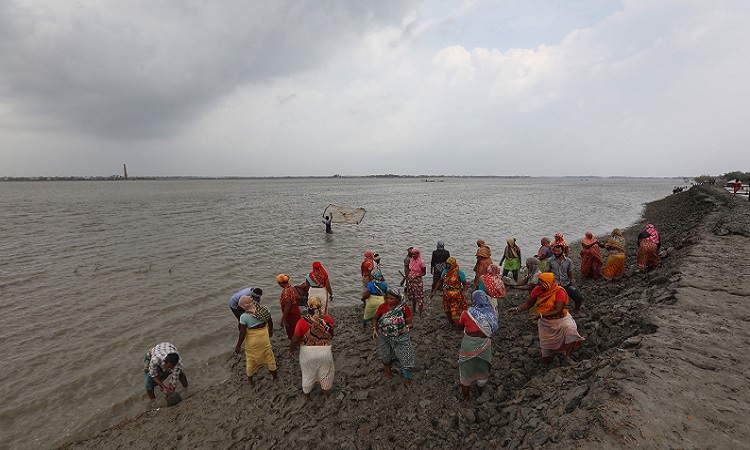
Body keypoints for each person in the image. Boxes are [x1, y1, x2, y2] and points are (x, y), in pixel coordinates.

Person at [507, 273, 584, 364]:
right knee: (546, 344)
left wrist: (541, 315)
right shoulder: (537, 290)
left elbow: (558, 310)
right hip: (545, 321)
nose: (540, 287)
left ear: (549, 283)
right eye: (539, 284)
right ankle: (546, 363)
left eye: (542, 284)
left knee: (570, 330)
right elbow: (529, 304)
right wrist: (517, 309)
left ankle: (568, 357)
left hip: (559, 318)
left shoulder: (559, 292)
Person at [289, 297, 335, 400]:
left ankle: (307, 396)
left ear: (308, 307)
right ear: (321, 306)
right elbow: (331, 335)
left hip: (308, 353)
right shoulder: (329, 319)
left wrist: (291, 350)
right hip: (325, 352)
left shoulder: (301, 322)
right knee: (326, 374)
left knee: (308, 375)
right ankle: (326, 395)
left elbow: (295, 339)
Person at [458, 291, 498, 401]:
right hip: (484, 344)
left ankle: (466, 398)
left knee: (465, 368)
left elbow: (460, 327)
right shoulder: (491, 313)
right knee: (483, 367)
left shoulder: (467, 313)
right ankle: (479, 392)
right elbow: (494, 329)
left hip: (468, 345)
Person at [373, 287, 416, 386]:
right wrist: (374, 329)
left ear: (398, 299)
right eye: (387, 298)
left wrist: (406, 327)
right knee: (386, 355)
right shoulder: (382, 307)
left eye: (391, 298)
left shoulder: (404, 308)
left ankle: (407, 380)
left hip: (401, 336)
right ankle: (388, 375)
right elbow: (375, 318)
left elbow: (410, 323)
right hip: (385, 336)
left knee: (406, 357)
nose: (388, 300)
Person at [234, 295, 277, 385]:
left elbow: (242, 334)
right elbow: (270, 321)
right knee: (269, 355)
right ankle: (275, 377)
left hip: (253, 340)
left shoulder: (244, 317)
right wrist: (271, 331)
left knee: (250, 359)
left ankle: (250, 380)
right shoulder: (264, 309)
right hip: (264, 336)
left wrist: (238, 346)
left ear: (243, 306)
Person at [545, 244, 584, 314]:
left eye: (558, 251)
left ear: (562, 251)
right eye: (555, 251)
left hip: (566, 284)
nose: (556, 253)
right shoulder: (550, 261)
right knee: (550, 301)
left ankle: (576, 309)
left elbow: (570, 272)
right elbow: (546, 272)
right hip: (555, 285)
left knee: (579, 298)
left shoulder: (568, 261)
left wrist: (572, 279)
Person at [430, 257, 468, 328]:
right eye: (447, 264)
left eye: (449, 264)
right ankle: (452, 323)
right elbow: (439, 282)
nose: (447, 266)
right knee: (447, 310)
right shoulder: (445, 272)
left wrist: (464, 292)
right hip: (446, 295)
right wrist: (434, 291)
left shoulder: (459, 273)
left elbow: (465, 284)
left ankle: (458, 327)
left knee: (455, 311)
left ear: (453, 264)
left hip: (456, 296)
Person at [277, 274, 301, 340]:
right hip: (296, 310)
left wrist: (283, 318)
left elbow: (288, 306)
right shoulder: (292, 288)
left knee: (290, 328)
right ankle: (297, 339)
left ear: (280, 283)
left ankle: (293, 341)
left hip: (291, 313)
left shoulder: (286, 292)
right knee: (296, 327)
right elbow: (297, 298)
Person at [405, 247, 427, 316]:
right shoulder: (411, 260)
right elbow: (409, 270)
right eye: (412, 254)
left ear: (418, 254)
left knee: (419, 297)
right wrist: (406, 278)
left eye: (415, 254)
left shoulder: (421, 262)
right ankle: (414, 310)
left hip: (418, 281)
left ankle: (420, 312)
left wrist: (417, 275)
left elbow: (424, 273)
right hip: (411, 280)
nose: (413, 256)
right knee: (412, 296)